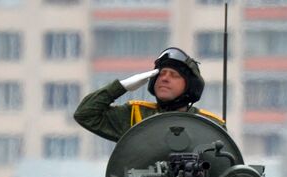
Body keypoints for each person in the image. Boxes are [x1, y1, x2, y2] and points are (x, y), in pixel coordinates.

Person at [74, 47, 223, 143]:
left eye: (174, 75)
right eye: (161, 73)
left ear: (189, 86)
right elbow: (85, 114)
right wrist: (120, 86)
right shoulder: (136, 116)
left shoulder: (208, 124)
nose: (164, 78)